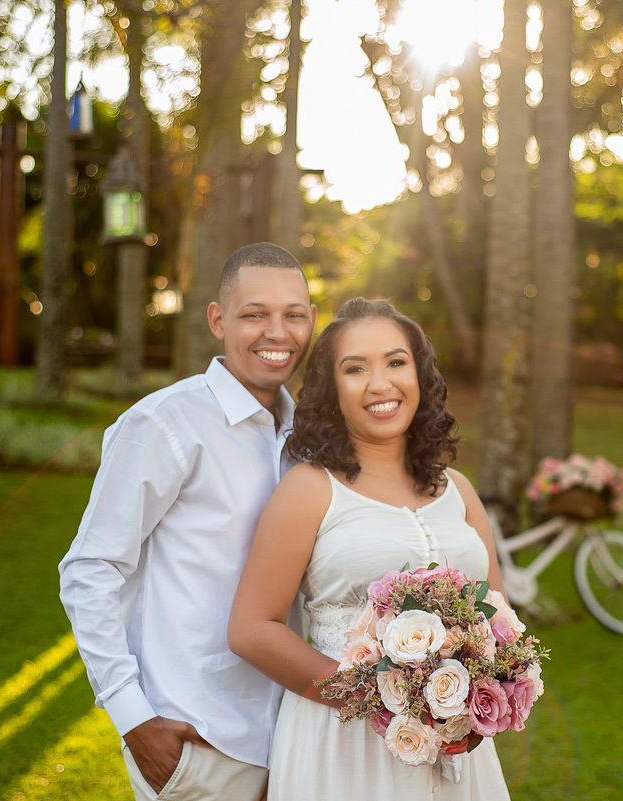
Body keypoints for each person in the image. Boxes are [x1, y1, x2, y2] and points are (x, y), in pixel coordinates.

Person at [59, 242, 317, 801]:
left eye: (293, 315)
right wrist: (133, 718)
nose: (277, 333)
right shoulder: (164, 423)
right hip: (197, 740)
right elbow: (89, 569)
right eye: (255, 314)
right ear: (218, 320)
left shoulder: (309, 439)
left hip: (295, 743)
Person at [228, 298, 512, 801]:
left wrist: (481, 689)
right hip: (344, 744)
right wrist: (378, 699)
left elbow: (499, 614)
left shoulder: (460, 490)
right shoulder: (309, 488)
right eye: (355, 369)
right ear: (332, 389)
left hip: (455, 748)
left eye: (396, 362)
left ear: (419, 376)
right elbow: (251, 629)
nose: (380, 384)